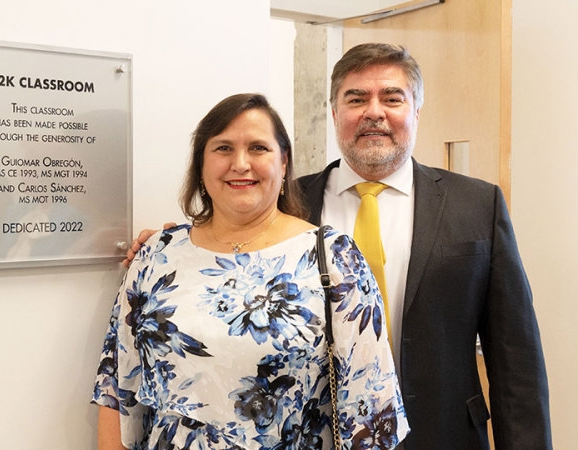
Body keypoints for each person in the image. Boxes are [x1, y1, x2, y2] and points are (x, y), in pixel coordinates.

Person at [123, 44, 552, 450]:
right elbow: (227, 259)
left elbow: (516, 358)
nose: (374, 112)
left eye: (392, 97)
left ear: (416, 109)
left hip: (444, 434)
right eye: (356, 99)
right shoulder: (287, 206)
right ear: (333, 112)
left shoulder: (476, 204)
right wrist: (170, 251)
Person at [92, 93, 409, 449]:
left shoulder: (334, 258)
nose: (240, 164)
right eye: (223, 148)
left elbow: (372, 414)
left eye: (258, 148)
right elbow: (116, 391)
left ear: (284, 162)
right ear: (201, 164)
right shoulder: (156, 255)